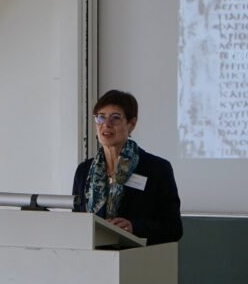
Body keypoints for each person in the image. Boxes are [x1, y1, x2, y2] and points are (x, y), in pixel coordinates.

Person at [72, 90, 182, 244]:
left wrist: (134, 227)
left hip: (135, 256)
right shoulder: (84, 171)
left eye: (115, 118)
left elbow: (174, 228)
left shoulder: (157, 169)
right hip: (91, 256)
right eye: (101, 117)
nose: (106, 124)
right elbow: (76, 223)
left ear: (132, 124)